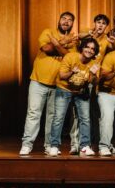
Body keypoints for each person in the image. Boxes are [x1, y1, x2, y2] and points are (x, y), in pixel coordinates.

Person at [20, 12, 78, 156]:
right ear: (58, 20)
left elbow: (68, 56)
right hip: (38, 81)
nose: (66, 21)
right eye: (64, 18)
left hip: (58, 84)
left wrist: (58, 44)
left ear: (72, 24)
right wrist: (63, 42)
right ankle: (27, 144)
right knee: (33, 114)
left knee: (52, 117)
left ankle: (48, 145)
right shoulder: (48, 32)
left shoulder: (75, 41)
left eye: (70, 20)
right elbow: (46, 49)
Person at [47, 37, 100, 157]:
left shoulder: (94, 63)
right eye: (87, 47)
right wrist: (72, 72)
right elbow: (62, 76)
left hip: (80, 91)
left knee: (85, 119)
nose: (89, 50)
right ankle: (54, 146)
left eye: (93, 49)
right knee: (58, 118)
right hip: (64, 89)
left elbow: (93, 82)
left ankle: (85, 147)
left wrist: (92, 74)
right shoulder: (71, 57)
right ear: (82, 47)